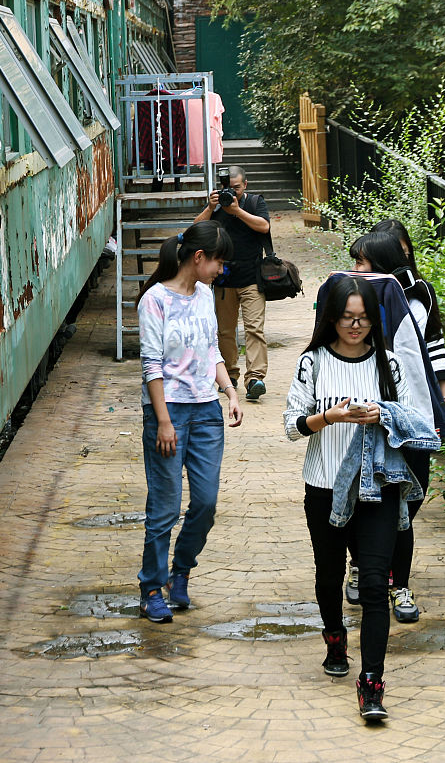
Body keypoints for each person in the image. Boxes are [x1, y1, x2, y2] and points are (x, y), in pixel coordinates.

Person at [284, 274, 435, 721]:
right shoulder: (312, 362)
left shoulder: (389, 364)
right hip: (325, 486)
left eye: (364, 319)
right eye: (347, 318)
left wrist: (382, 415)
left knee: (373, 585)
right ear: (331, 318)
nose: (355, 326)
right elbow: (291, 426)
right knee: (329, 577)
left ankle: (372, 683)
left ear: (375, 320)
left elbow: (412, 421)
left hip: (378, 488)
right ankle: (334, 636)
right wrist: (329, 417)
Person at [343, 227, 445, 624]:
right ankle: (367, 566)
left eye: (362, 262)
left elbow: (433, 350)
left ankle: (391, 576)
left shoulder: (418, 296)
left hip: (412, 412)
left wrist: (444, 403)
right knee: (367, 497)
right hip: (366, 414)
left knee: (408, 499)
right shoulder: (353, 298)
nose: (356, 269)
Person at [136, 221, 244, 623]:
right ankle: (151, 588)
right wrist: (163, 421)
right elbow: (151, 365)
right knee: (164, 508)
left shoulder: (204, 294)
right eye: (219, 262)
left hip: (206, 412)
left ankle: (180, 571)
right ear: (199, 258)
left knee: (206, 502)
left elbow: (211, 348)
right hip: (169, 413)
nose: (221, 270)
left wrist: (230, 391)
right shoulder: (154, 300)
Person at [193, 165, 272, 401]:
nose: (232, 192)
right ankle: (229, 374)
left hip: (252, 278)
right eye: (228, 187)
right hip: (224, 278)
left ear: (245, 185)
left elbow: (264, 226)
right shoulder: (217, 207)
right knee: (225, 331)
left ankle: (255, 378)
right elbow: (196, 230)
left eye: (237, 188)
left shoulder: (255, 202)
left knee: (254, 328)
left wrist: (237, 211)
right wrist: (210, 208)